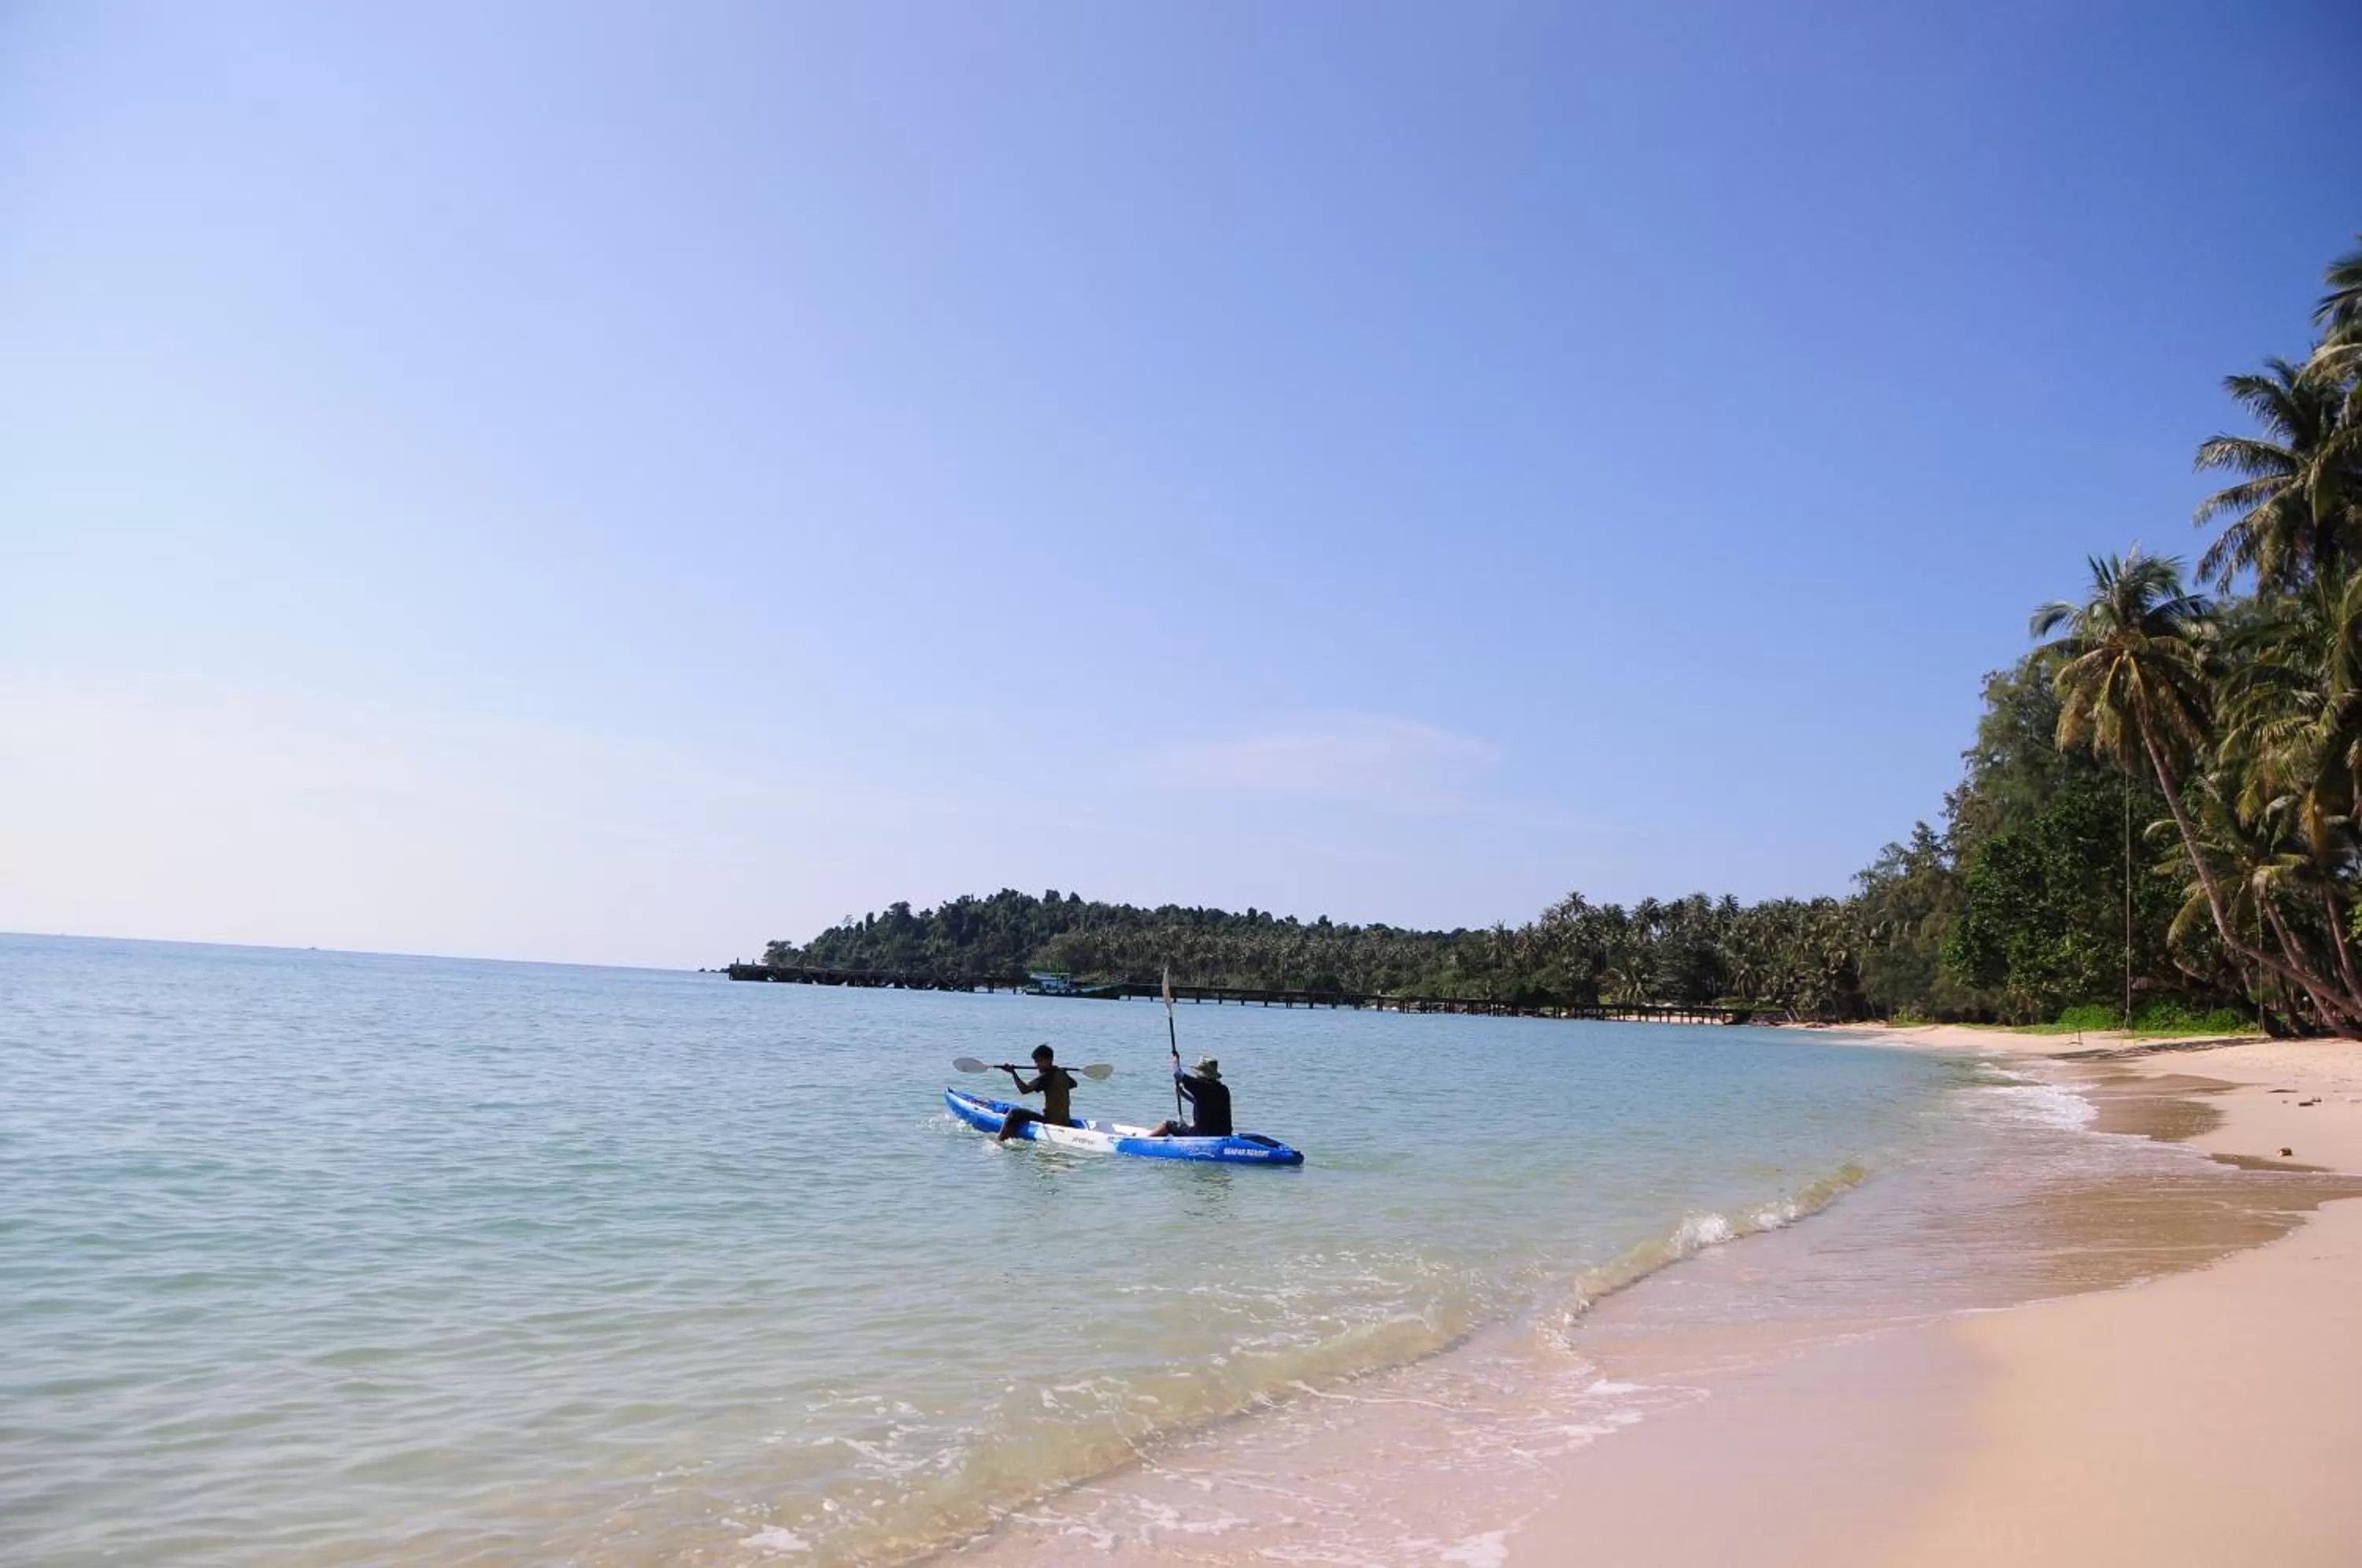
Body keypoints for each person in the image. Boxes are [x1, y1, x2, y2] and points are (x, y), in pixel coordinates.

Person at [997, 1044, 1079, 1141]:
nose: (1036, 1065)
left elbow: (1024, 1090)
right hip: (1065, 1121)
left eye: (1040, 1061)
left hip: (1051, 1122)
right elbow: (1074, 1084)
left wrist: (1013, 1073)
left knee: (1014, 1113)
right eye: (1036, 1062)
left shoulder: (1046, 1077)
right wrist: (1058, 1074)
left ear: (1049, 1060)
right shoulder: (1062, 1073)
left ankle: (1000, 1140)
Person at [1146, 1056, 1232, 1137]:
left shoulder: (1201, 1085)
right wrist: (1183, 1094)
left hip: (1203, 1135)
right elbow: (1203, 1103)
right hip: (1224, 1134)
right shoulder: (1223, 1089)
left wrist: (1175, 1060)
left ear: (1201, 1074)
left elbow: (1178, 1074)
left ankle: (1142, 1142)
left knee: (1167, 1125)